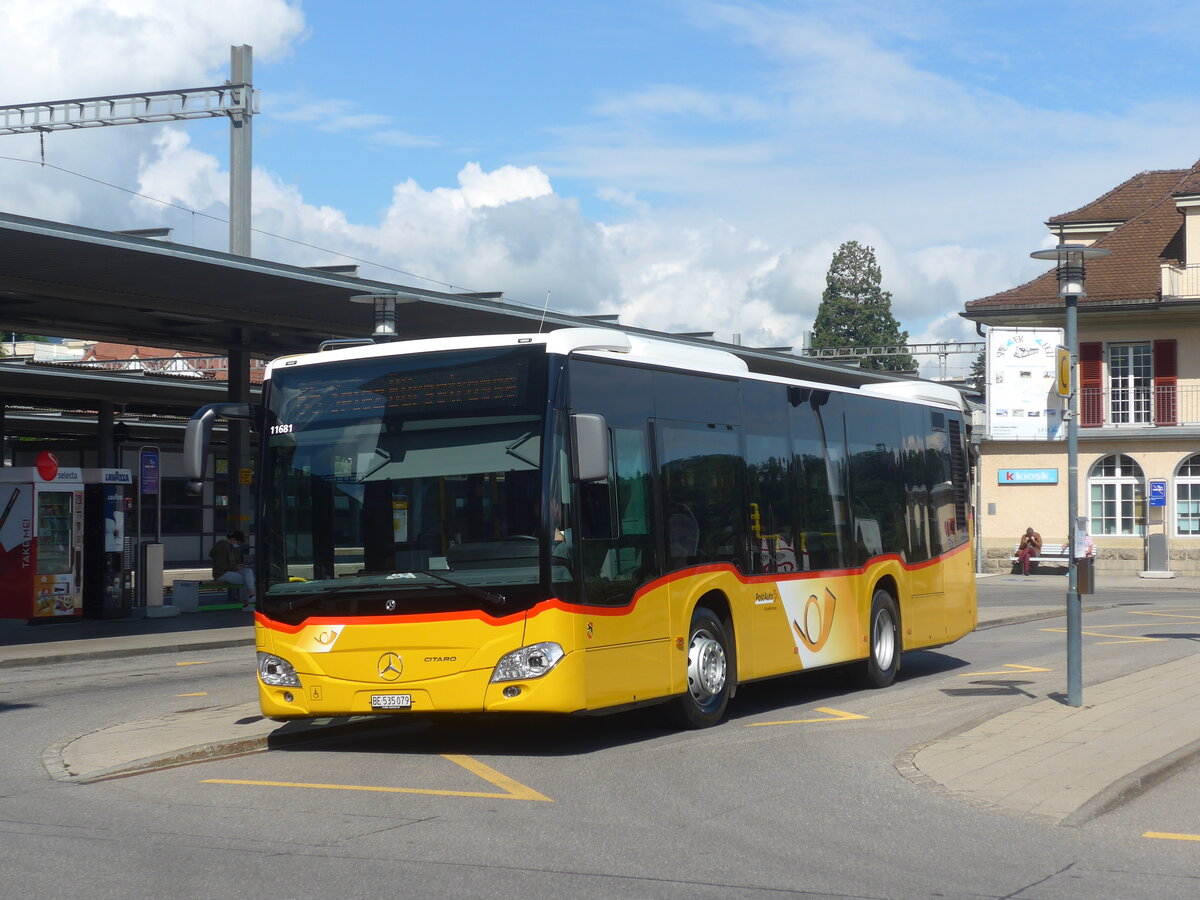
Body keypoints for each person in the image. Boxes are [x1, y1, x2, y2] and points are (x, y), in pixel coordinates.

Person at [210, 530, 256, 609]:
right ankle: (248, 602)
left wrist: (238, 565)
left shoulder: (231, 547)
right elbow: (221, 564)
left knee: (248, 572)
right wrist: (235, 567)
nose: (238, 545)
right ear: (233, 539)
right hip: (221, 573)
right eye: (238, 543)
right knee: (247, 579)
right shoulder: (222, 546)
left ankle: (251, 597)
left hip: (229, 570)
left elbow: (231, 562)